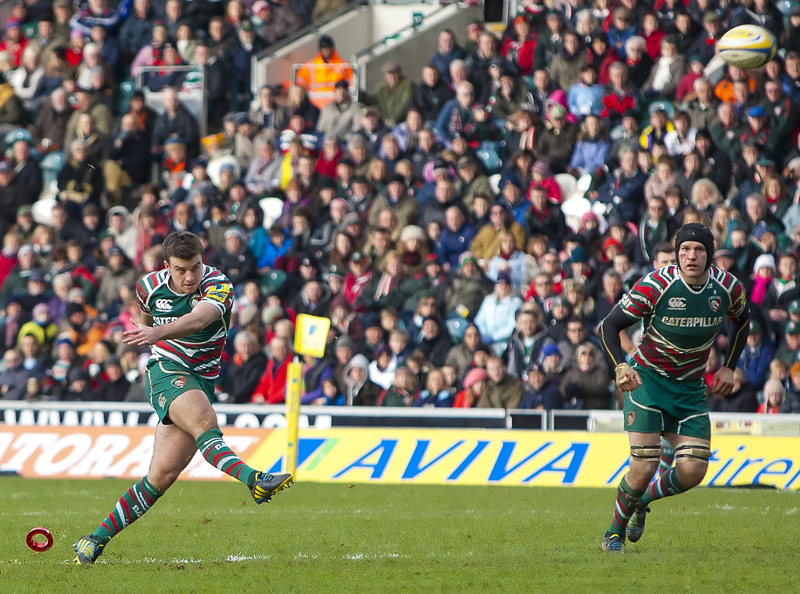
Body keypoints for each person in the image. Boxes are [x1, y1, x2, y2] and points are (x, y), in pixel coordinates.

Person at [72, 232, 293, 566]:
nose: (190, 276)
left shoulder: (218, 284)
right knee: (206, 424)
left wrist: (156, 332)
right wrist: (149, 334)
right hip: (166, 370)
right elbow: (145, 322)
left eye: (195, 267)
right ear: (166, 266)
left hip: (201, 379)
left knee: (160, 478)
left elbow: (200, 319)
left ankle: (93, 541)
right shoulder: (148, 286)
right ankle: (255, 480)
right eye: (181, 270)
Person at [597, 223, 749, 553]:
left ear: (709, 255)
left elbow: (743, 319)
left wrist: (729, 366)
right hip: (647, 380)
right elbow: (610, 324)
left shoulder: (726, 288)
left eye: (697, 250)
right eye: (684, 250)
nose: (690, 256)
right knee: (645, 462)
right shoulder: (657, 284)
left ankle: (643, 501)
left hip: (690, 387)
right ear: (677, 254)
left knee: (693, 469)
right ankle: (613, 534)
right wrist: (620, 365)